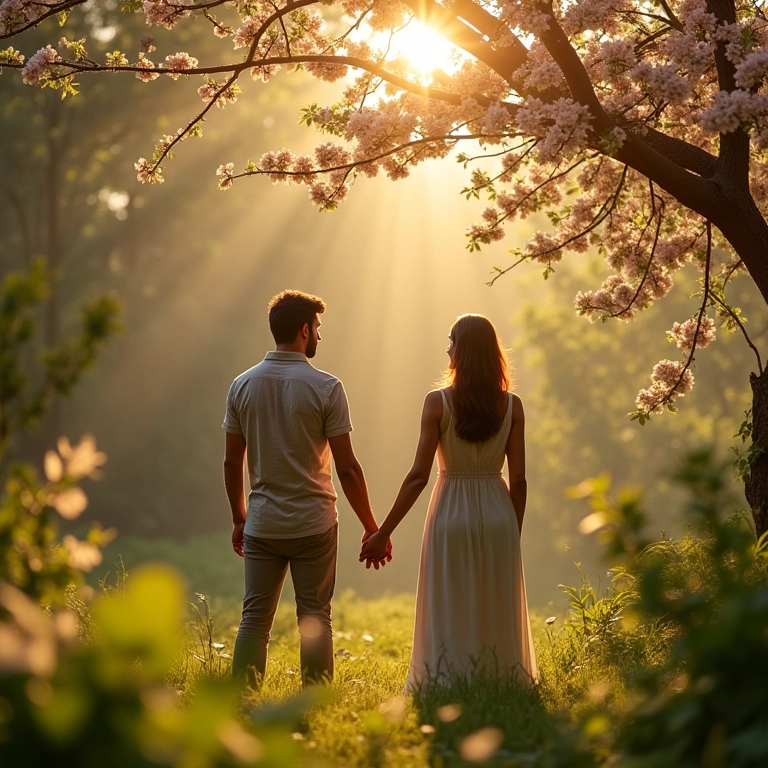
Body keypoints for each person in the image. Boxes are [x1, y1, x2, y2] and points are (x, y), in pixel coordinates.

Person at [360, 313, 537, 690]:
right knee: (495, 602)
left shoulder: (437, 403)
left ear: (464, 351)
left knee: (448, 600)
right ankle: (499, 679)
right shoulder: (514, 406)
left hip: (449, 510)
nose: (447, 349)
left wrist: (383, 531)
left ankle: (448, 679)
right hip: (498, 511)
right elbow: (519, 479)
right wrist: (512, 530)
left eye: (452, 341)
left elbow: (418, 477)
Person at [223, 289, 390, 688]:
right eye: (317, 328)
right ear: (304, 330)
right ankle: (315, 703)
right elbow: (348, 468)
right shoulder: (326, 387)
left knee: (254, 618)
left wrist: (238, 518)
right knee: (315, 616)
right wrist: (372, 526)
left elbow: (232, 461)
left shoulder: (241, 386)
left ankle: (240, 700)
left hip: (262, 523)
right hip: (314, 524)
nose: (319, 336)